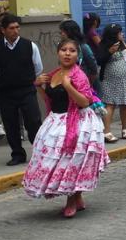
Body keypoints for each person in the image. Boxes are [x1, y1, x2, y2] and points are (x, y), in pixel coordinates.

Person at [22, 39, 109, 217]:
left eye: (72, 51)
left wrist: (69, 86)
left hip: (77, 121)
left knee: (71, 161)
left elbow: (85, 102)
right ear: (58, 53)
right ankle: (77, 197)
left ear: (78, 55)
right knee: (55, 160)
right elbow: (50, 99)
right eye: (63, 50)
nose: (67, 53)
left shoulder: (79, 76)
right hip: (56, 120)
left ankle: (72, 199)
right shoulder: (54, 74)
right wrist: (38, 86)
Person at [0, 14, 44, 166]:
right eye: (11, 28)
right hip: (6, 92)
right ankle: (18, 154)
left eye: (17, 27)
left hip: (27, 90)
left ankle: (40, 152)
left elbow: (38, 68)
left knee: (33, 121)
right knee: (10, 123)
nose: (15, 31)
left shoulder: (29, 46)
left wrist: (27, 80)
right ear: (3, 30)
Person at [95, 23, 126, 142]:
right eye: (119, 33)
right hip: (110, 79)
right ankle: (107, 131)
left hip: (125, 79)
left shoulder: (125, 44)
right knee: (110, 104)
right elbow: (99, 60)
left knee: (125, 104)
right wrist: (109, 51)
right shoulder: (103, 45)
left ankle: (125, 129)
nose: (121, 34)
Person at [59, 19, 98, 85]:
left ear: (70, 32)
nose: (61, 34)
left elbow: (93, 67)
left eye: (63, 32)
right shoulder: (62, 46)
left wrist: (89, 83)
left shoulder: (83, 47)